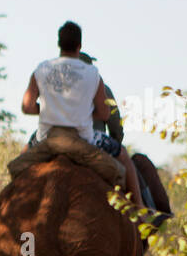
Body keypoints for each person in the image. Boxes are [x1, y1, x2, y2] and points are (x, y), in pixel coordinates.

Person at [21, 21, 145, 207]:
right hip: (84, 139)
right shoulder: (93, 74)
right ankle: (141, 209)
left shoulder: (42, 69)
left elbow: (27, 107)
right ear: (79, 46)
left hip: (47, 137)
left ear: (59, 44)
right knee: (123, 155)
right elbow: (104, 114)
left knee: (20, 162)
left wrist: (50, 110)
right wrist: (80, 113)